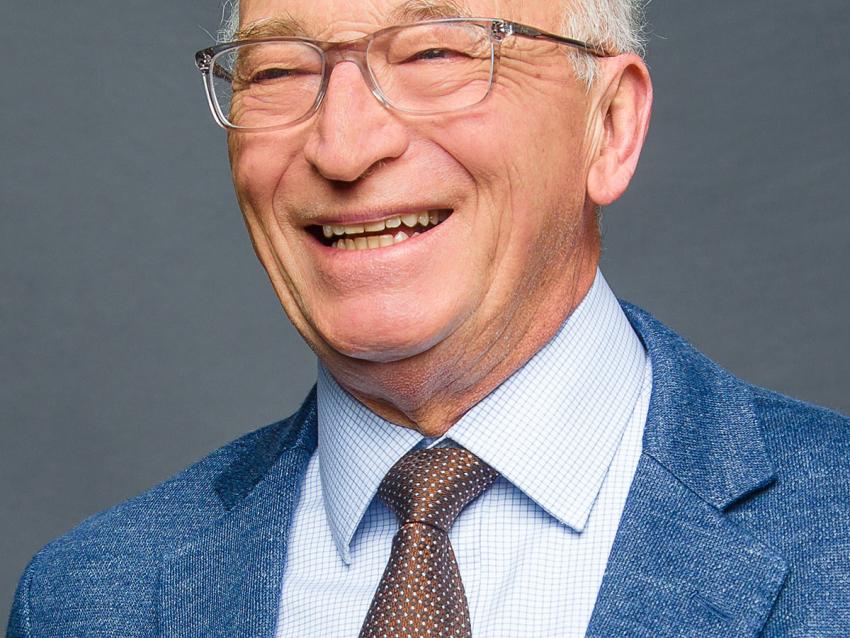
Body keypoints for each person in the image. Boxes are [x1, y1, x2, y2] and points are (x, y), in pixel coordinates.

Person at [7, 0, 849, 636]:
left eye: (435, 52)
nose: (344, 145)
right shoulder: (87, 599)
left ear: (610, 126)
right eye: (278, 72)